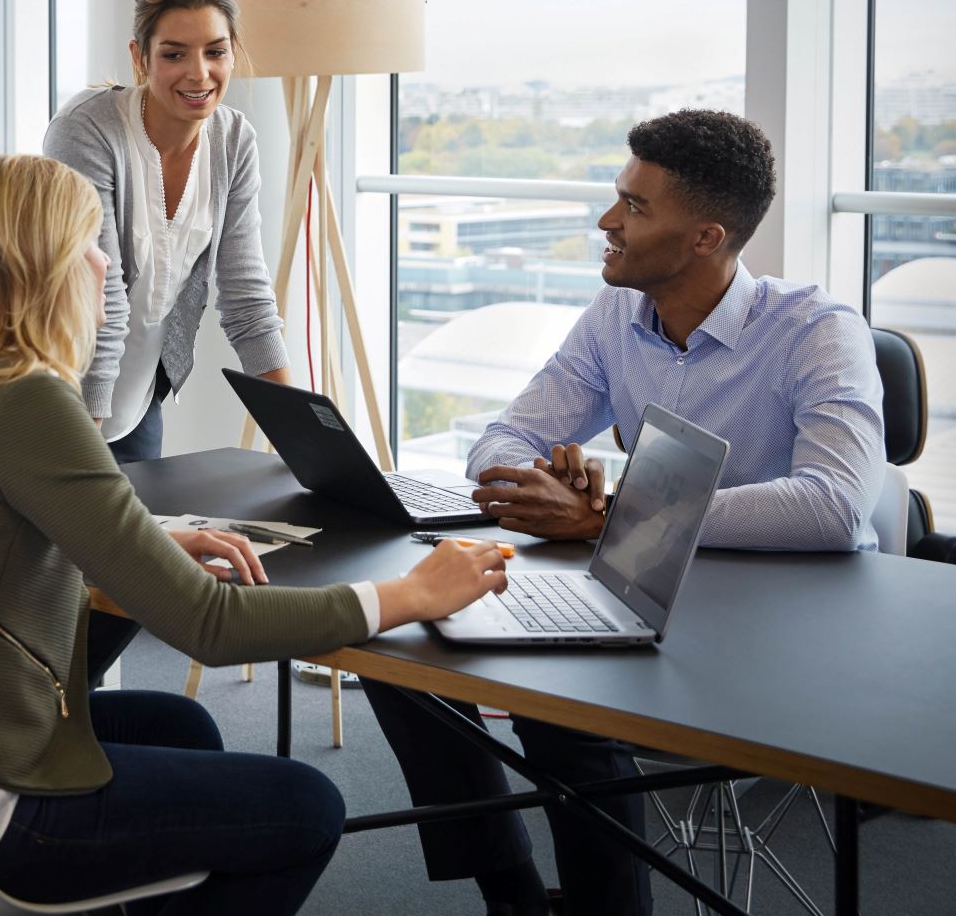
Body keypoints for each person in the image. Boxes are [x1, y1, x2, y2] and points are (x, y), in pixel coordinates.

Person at [0, 154, 511, 915]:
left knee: (179, 723)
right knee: (308, 807)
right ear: (44, 265)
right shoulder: (28, 402)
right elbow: (208, 625)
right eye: (90, 244)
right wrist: (410, 593)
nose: (102, 266)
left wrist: (144, 541)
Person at [362, 109, 885, 916]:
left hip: (772, 634)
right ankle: (512, 891)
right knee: (398, 643)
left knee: (565, 711)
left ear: (707, 237)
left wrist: (612, 518)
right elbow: (501, 438)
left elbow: (835, 507)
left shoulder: (818, 332)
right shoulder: (617, 314)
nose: (608, 221)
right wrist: (542, 485)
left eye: (635, 207)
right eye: (618, 196)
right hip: (632, 591)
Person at [44, 0, 287, 680]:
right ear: (138, 58)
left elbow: (245, 292)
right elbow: (104, 298)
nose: (198, 72)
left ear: (234, 53)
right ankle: (32, 734)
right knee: (71, 584)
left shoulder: (234, 140)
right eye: (174, 53)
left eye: (215, 51)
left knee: (131, 594)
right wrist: (79, 451)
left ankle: (65, 726)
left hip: (143, 391)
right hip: (69, 388)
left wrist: (305, 434)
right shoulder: (85, 132)